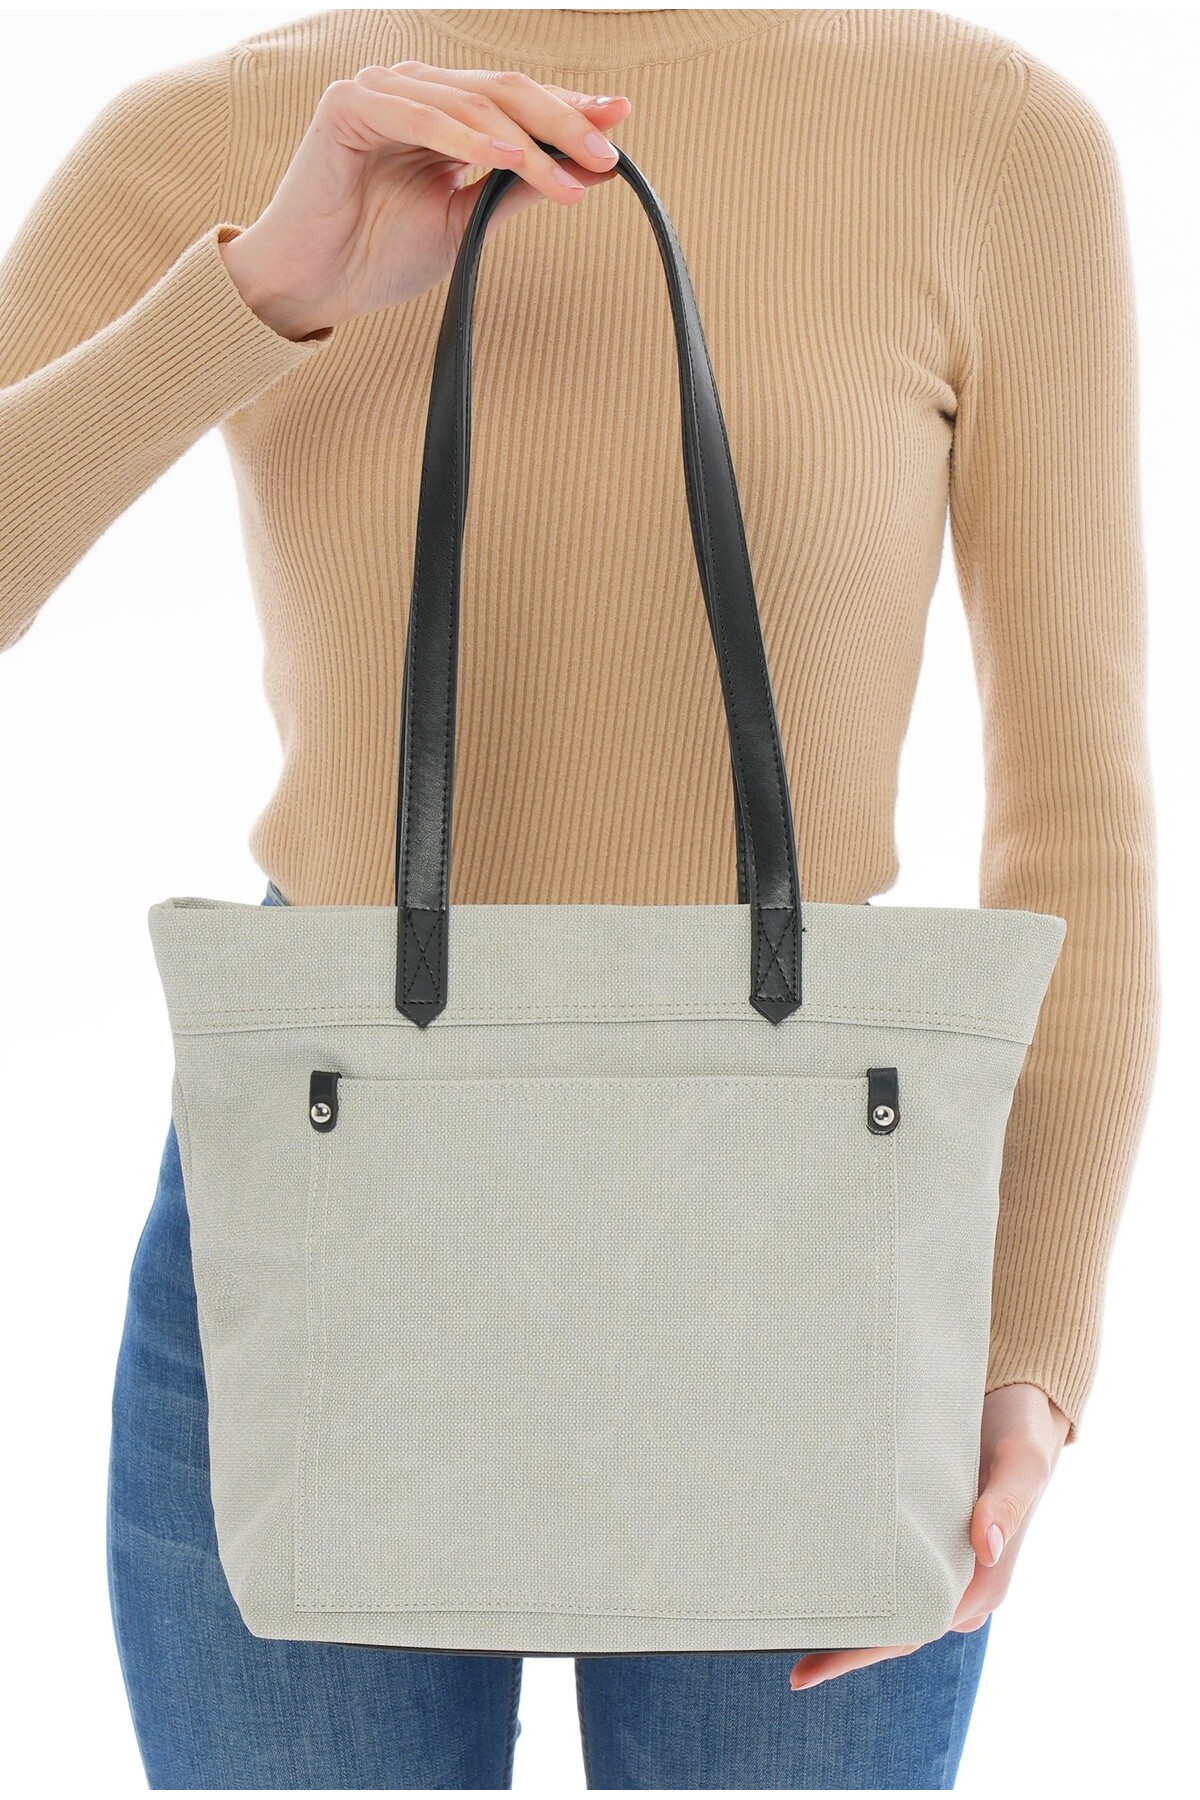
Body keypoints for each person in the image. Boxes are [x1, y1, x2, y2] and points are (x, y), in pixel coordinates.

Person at [0, 7, 1159, 1790]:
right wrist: (262, 290)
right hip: (317, 1225)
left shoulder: (991, 135)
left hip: (817, 1258)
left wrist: (1030, 1330)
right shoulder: (224, 130)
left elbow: (1077, 808)